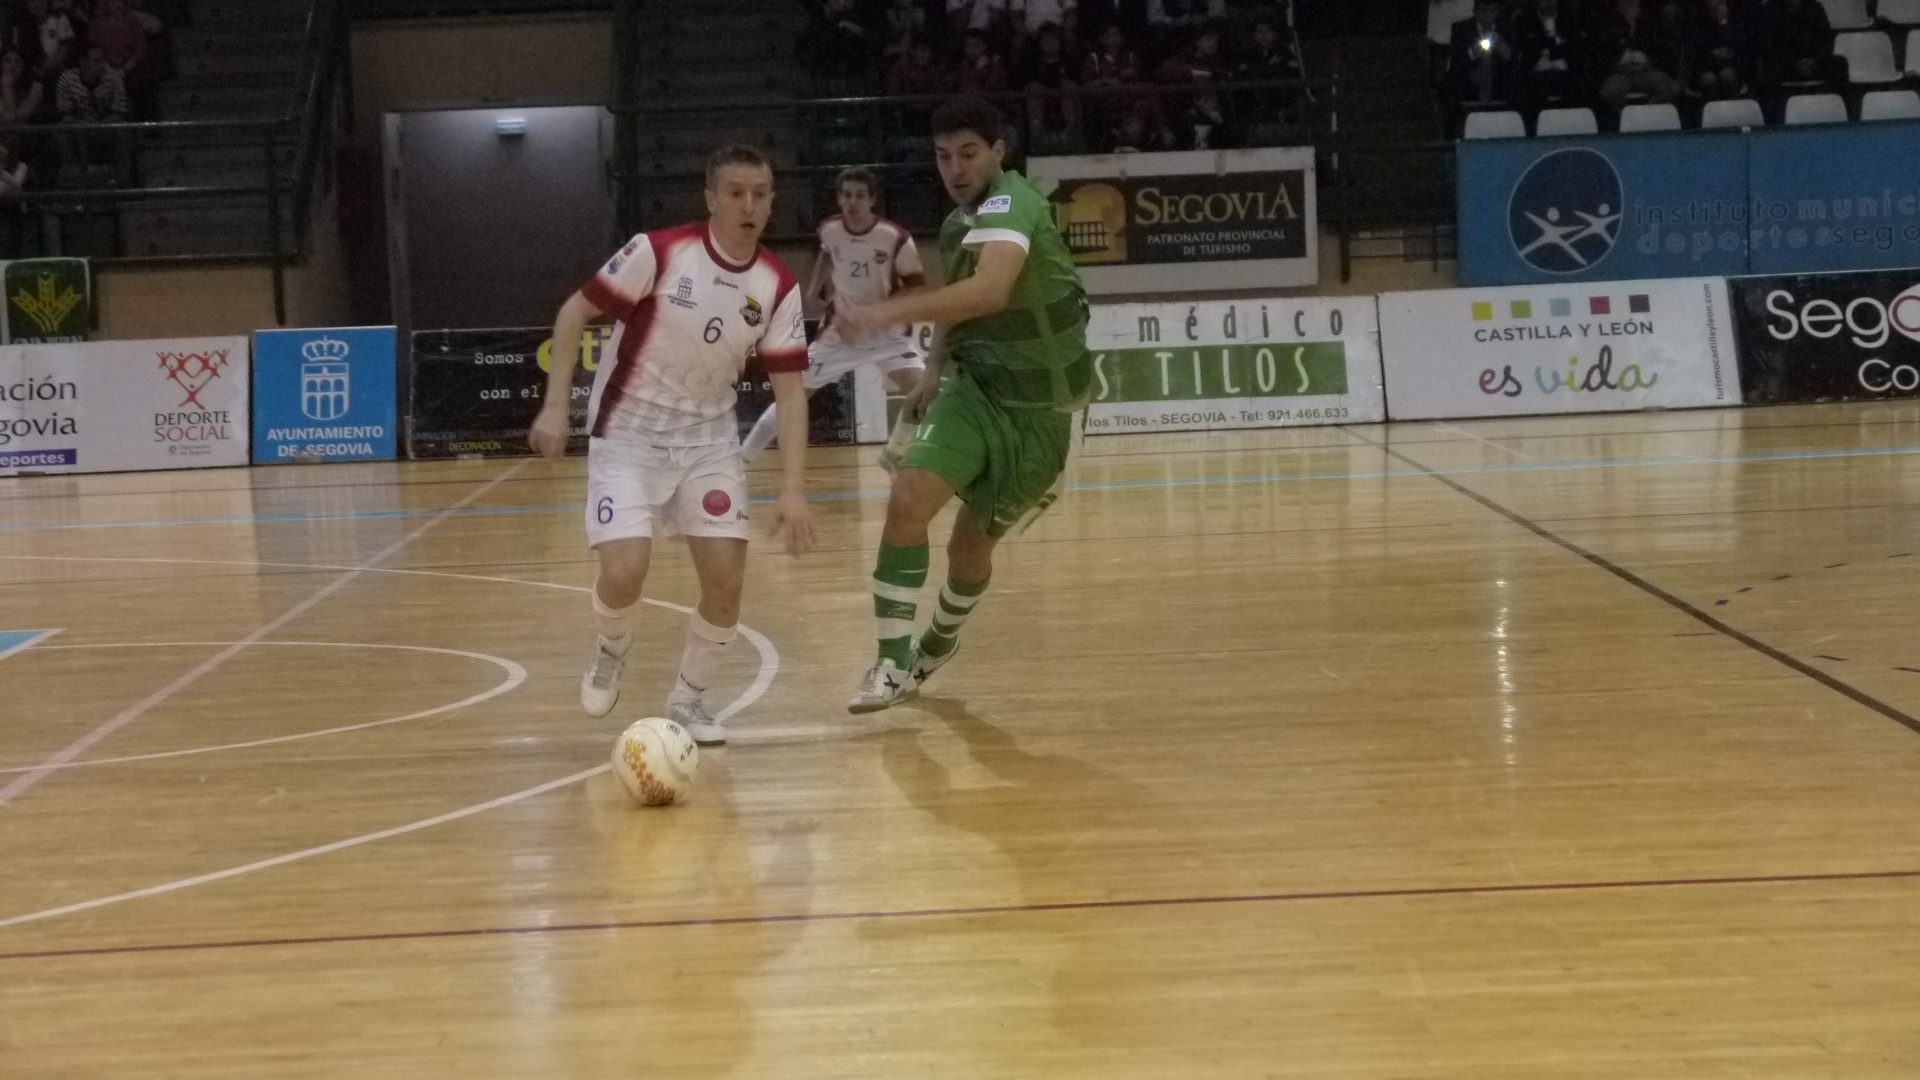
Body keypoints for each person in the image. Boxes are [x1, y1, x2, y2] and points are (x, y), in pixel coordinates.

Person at [527, 144, 816, 746]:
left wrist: (793, 493)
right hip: (628, 434)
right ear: (710, 199)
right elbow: (572, 313)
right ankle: (611, 647)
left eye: (761, 194)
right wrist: (557, 406)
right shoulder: (657, 252)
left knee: (726, 581)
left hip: (708, 441)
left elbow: (791, 394)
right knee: (626, 572)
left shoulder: (778, 285)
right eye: (735, 192)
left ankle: (688, 700)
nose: (749, 205)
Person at [831, 97, 1091, 712]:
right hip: (975, 390)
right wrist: (933, 372)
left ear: (999, 153)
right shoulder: (957, 226)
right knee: (908, 498)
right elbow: (956, 299)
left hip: (1043, 415)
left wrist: (881, 312)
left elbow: (990, 289)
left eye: (968, 153)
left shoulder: (1014, 201)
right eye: (944, 156)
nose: (955, 167)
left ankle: (939, 641)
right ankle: (890, 664)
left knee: (969, 550)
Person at [743, 166, 928, 469]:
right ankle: (742, 460)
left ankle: (893, 454)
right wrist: (814, 289)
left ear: (872, 200)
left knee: (923, 394)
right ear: (839, 200)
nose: (852, 202)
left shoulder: (895, 238)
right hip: (839, 336)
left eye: (859, 195)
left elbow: (917, 289)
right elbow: (828, 252)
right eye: (846, 195)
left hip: (888, 335)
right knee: (791, 398)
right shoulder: (829, 229)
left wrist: (873, 315)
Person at [1449, 0, 1515, 108]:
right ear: (1475, 11)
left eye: (1493, 11)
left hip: (1499, 88)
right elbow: (1456, 62)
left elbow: (1514, 64)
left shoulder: (1507, 28)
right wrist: (1473, 51)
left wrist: (1503, 48)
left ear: (1498, 12)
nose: (1489, 16)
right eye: (1484, 11)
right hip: (1468, 87)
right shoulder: (1461, 29)